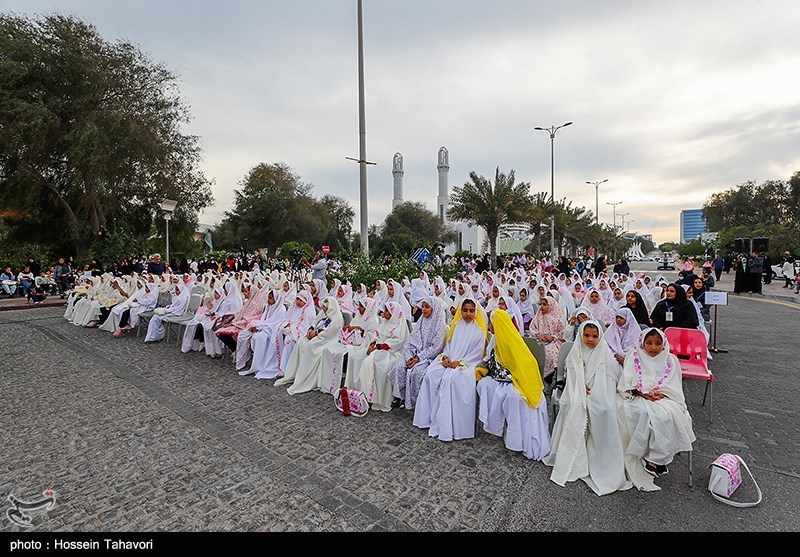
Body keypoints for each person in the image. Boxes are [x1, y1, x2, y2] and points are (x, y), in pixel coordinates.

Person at [543, 320, 632, 496]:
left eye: (594, 336)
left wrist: (594, 390)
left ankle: (601, 458)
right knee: (571, 406)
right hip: (577, 390)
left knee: (604, 409)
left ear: (600, 336)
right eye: (587, 335)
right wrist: (580, 385)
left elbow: (610, 376)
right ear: (581, 335)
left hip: (601, 391)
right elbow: (571, 372)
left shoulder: (604, 352)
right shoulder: (576, 351)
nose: (590, 340)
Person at [617, 327, 696, 490]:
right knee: (640, 413)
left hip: (664, 397)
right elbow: (627, 380)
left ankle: (654, 459)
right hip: (637, 396)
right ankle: (648, 457)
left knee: (668, 415)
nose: (653, 347)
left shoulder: (670, 360)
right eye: (649, 343)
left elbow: (673, 384)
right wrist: (643, 393)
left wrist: (662, 394)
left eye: (658, 343)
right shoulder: (634, 356)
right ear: (642, 343)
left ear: (664, 344)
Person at [476, 309, 550, 460]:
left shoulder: (510, 339)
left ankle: (518, 438)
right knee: (483, 386)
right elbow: (491, 358)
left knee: (515, 398)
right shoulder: (495, 338)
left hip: (512, 379)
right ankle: (499, 427)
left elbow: (524, 364)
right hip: (499, 378)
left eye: (491, 323)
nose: (489, 325)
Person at [413, 298, 488, 442]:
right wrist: (446, 358)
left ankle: (450, 425)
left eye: (471, 311)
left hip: (467, 365)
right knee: (431, 374)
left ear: (476, 312)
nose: (467, 313)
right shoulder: (457, 325)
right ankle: (427, 418)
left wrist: (460, 362)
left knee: (449, 379)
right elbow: (448, 345)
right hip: (450, 361)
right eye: (464, 310)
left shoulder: (479, 331)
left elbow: (477, 355)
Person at [275, 296, 344, 395]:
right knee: (300, 342)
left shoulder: (337, 317)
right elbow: (315, 321)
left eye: (325, 307)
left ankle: (305, 377)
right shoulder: (323, 313)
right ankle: (296, 374)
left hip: (327, 340)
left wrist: (316, 334)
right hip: (317, 336)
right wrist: (310, 330)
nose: (323, 309)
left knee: (311, 346)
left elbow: (330, 332)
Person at [389, 297, 448, 410]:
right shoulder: (422, 321)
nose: (423, 310)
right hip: (415, 353)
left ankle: (417, 404)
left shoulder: (439, 325)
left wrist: (418, 358)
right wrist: (410, 357)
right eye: (423, 307)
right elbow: (412, 341)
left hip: (430, 357)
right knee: (400, 366)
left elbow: (436, 347)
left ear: (434, 309)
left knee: (417, 372)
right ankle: (400, 397)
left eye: (427, 307)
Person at [355, 300, 410, 412]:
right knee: (363, 359)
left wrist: (378, 347)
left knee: (379, 365)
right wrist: (373, 344)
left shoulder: (399, 326)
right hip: (380, 349)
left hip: (393, 352)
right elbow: (376, 335)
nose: (384, 313)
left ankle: (379, 398)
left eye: (387, 311)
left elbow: (397, 342)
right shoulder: (384, 323)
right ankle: (367, 395)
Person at [249, 290, 317, 379]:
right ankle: (276, 364)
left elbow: (305, 327)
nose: (298, 302)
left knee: (289, 341)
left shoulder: (308, 312)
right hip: (291, 330)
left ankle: (285, 369)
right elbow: (286, 319)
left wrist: (292, 328)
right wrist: (286, 325)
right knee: (277, 334)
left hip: (301, 333)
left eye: (301, 300)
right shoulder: (294, 308)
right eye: (297, 299)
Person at [528, 294, 566, 387]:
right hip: (539, 340)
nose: (541, 307)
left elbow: (562, 334)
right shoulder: (538, 316)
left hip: (553, 342)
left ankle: (548, 378)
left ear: (551, 305)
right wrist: (538, 335)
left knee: (550, 353)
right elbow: (532, 328)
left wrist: (553, 337)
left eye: (545, 304)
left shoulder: (557, 318)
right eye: (541, 304)